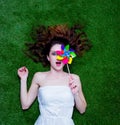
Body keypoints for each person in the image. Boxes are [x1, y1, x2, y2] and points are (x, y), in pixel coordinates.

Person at [17, 24, 91, 125]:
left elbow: (82, 110)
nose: (58, 58)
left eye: (61, 54)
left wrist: (76, 93)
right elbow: (25, 105)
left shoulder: (74, 78)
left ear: (67, 56)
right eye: (54, 54)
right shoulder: (39, 77)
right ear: (48, 57)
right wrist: (23, 79)